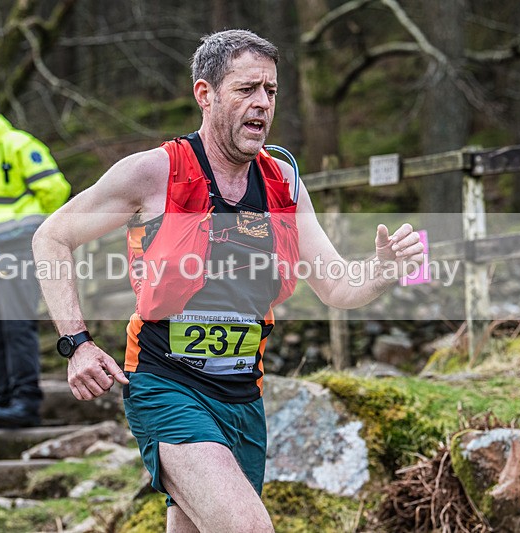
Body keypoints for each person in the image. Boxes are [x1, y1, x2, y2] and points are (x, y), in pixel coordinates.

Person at [32, 30, 423, 531]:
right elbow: (51, 237)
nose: (263, 103)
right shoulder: (155, 173)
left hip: (243, 398)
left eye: (272, 91)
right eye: (247, 89)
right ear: (205, 94)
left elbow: (338, 287)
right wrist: (77, 344)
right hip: (166, 385)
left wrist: (382, 273)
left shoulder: (284, 183)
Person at [0, 92, 71, 431]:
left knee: (16, 324)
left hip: (17, 247)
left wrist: (27, 229)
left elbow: (54, 188)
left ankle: (25, 402)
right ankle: (3, 402)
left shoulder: (16, 144)